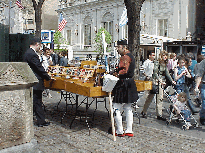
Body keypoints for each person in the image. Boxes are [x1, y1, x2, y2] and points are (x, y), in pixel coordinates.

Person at [112, 39, 138, 137]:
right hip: (130, 82)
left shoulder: (125, 57)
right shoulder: (131, 55)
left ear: (124, 47)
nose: (117, 49)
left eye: (118, 47)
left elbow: (123, 71)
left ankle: (119, 131)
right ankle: (129, 130)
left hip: (123, 83)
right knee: (128, 107)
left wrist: (114, 74)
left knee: (116, 107)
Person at [23, 37, 52, 127]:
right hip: (36, 81)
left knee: (35, 102)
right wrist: (48, 77)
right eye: (40, 45)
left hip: (32, 80)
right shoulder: (32, 54)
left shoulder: (28, 52)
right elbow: (39, 68)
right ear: (37, 44)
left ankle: (36, 119)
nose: (40, 47)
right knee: (37, 102)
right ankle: (41, 121)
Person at [148, 50, 176, 121]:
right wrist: (159, 79)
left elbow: (167, 73)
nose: (165, 57)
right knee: (150, 98)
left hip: (160, 82)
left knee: (160, 98)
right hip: (155, 81)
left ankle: (159, 115)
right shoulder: (157, 62)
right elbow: (155, 73)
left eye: (166, 55)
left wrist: (172, 80)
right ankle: (144, 111)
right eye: (164, 55)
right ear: (161, 56)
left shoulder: (164, 63)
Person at [140, 51, 156, 118]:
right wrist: (146, 75)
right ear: (149, 56)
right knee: (145, 94)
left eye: (154, 55)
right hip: (148, 80)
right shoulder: (147, 62)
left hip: (153, 80)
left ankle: (144, 110)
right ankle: (136, 103)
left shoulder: (154, 63)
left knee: (151, 95)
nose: (154, 56)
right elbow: (141, 70)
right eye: (153, 55)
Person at [195, 58, 205, 125]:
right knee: (204, 104)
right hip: (204, 85)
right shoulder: (203, 62)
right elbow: (199, 75)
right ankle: (202, 117)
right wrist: (196, 87)